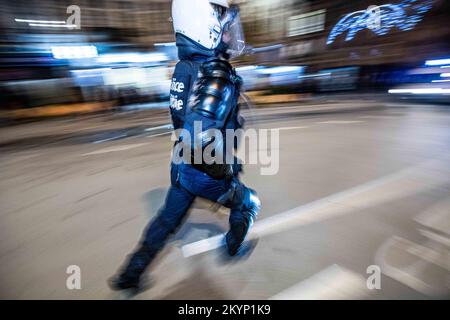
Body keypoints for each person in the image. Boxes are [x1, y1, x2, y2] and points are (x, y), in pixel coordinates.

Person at [109, 0, 260, 291]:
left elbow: (188, 126)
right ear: (204, 24)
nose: (229, 32)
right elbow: (199, 139)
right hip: (203, 172)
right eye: (221, 21)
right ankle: (233, 248)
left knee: (167, 221)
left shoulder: (185, 67)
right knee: (248, 202)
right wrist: (226, 172)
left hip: (181, 167)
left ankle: (131, 273)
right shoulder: (216, 74)